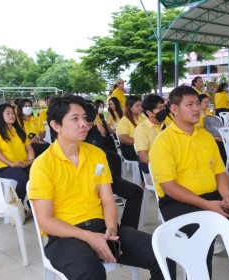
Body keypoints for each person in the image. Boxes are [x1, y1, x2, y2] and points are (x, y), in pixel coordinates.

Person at [28, 94, 168, 280]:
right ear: (56, 125)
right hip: (65, 237)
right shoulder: (43, 164)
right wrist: (89, 237)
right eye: (75, 119)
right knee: (90, 271)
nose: (84, 124)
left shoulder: (96, 155)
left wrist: (111, 229)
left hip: (101, 227)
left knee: (163, 253)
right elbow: (45, 221)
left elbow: (109, 201)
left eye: (85, 118)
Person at [149, 86, 229, 280]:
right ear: (174, 109)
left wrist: (227, 196)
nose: (196, 109)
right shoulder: (163, 142)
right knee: (204, 230)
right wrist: (208, 207)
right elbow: (169, 187)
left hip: (213, 196)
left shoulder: (205, 136)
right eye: (189, 105)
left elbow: (220, 173)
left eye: (197, 104)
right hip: (178, 202)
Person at [84, 103, 143, 229]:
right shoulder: (71, 139)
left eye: (90, 124)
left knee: (135, 192)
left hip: (100, 176)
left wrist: (102, 179)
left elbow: (101, 158)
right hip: (84, 183)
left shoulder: (94, 133)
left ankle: (128, 230)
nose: (86, 128)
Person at [0, 103, 35, 207]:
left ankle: (30, 206)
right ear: (1, 115)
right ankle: (17, 206)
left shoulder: (20, 131)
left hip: (24, 164)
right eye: (8, 113)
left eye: (13, 113)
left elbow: (29, 149)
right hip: (5, 167)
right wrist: (12, 164)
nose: (11, 116)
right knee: (23, 178)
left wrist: (31, 160)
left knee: (38, 175)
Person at [134, 94, 166, 174]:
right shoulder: (141, 129)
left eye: (164, 107)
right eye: (160, 108)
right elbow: (144, 157)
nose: (164, 110)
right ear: (149, 113)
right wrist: (164, 167)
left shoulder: (168, 125)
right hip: (156, 168)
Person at [197, 94, 227, 164]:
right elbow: (199, 132)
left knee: (228, 143)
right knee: (221, 146)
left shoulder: (209, 113)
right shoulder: (196, 115)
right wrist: (214, 138)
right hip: (205, 139)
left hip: (216, 136)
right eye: (205, 102)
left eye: (208, 102)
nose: (207, 104)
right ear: (199, 103)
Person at [116, 96, 146, 161]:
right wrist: (142, 143)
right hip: (130, 148)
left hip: (144, 146)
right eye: (137, 106)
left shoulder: (144, 119)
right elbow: (124, 139)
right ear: (130, 108)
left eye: (141, 105)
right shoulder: (124, 121)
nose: (140, 108)